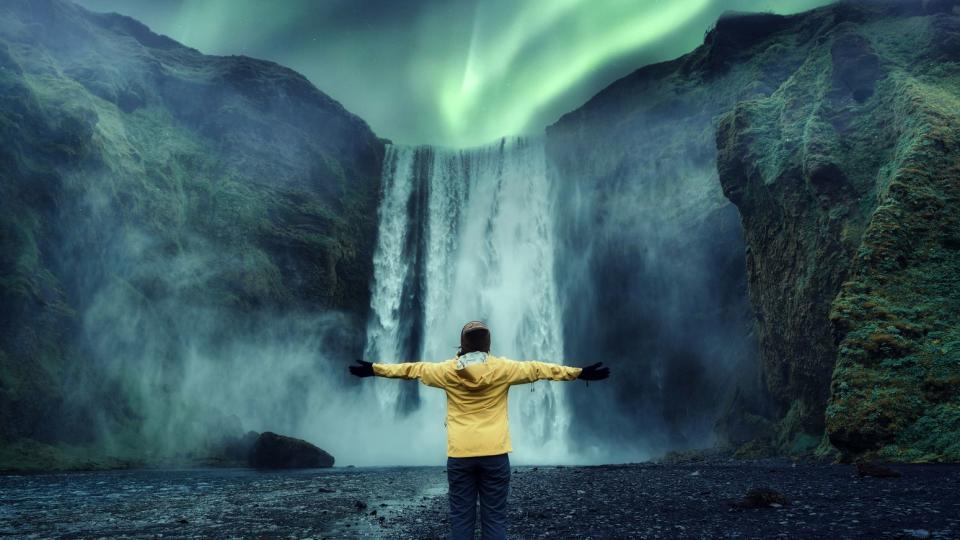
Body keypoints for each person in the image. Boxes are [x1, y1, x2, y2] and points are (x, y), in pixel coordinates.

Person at [349, 320, 610, 540]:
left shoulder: (446, 371)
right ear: (488, 345)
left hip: (460, 454)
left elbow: (412, 370)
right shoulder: (504, 368)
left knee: (461, 517)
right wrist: (579, 373)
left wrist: (374, 369)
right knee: (495, 517)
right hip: (495, 453)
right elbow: (541, 369)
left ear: (462, 345)